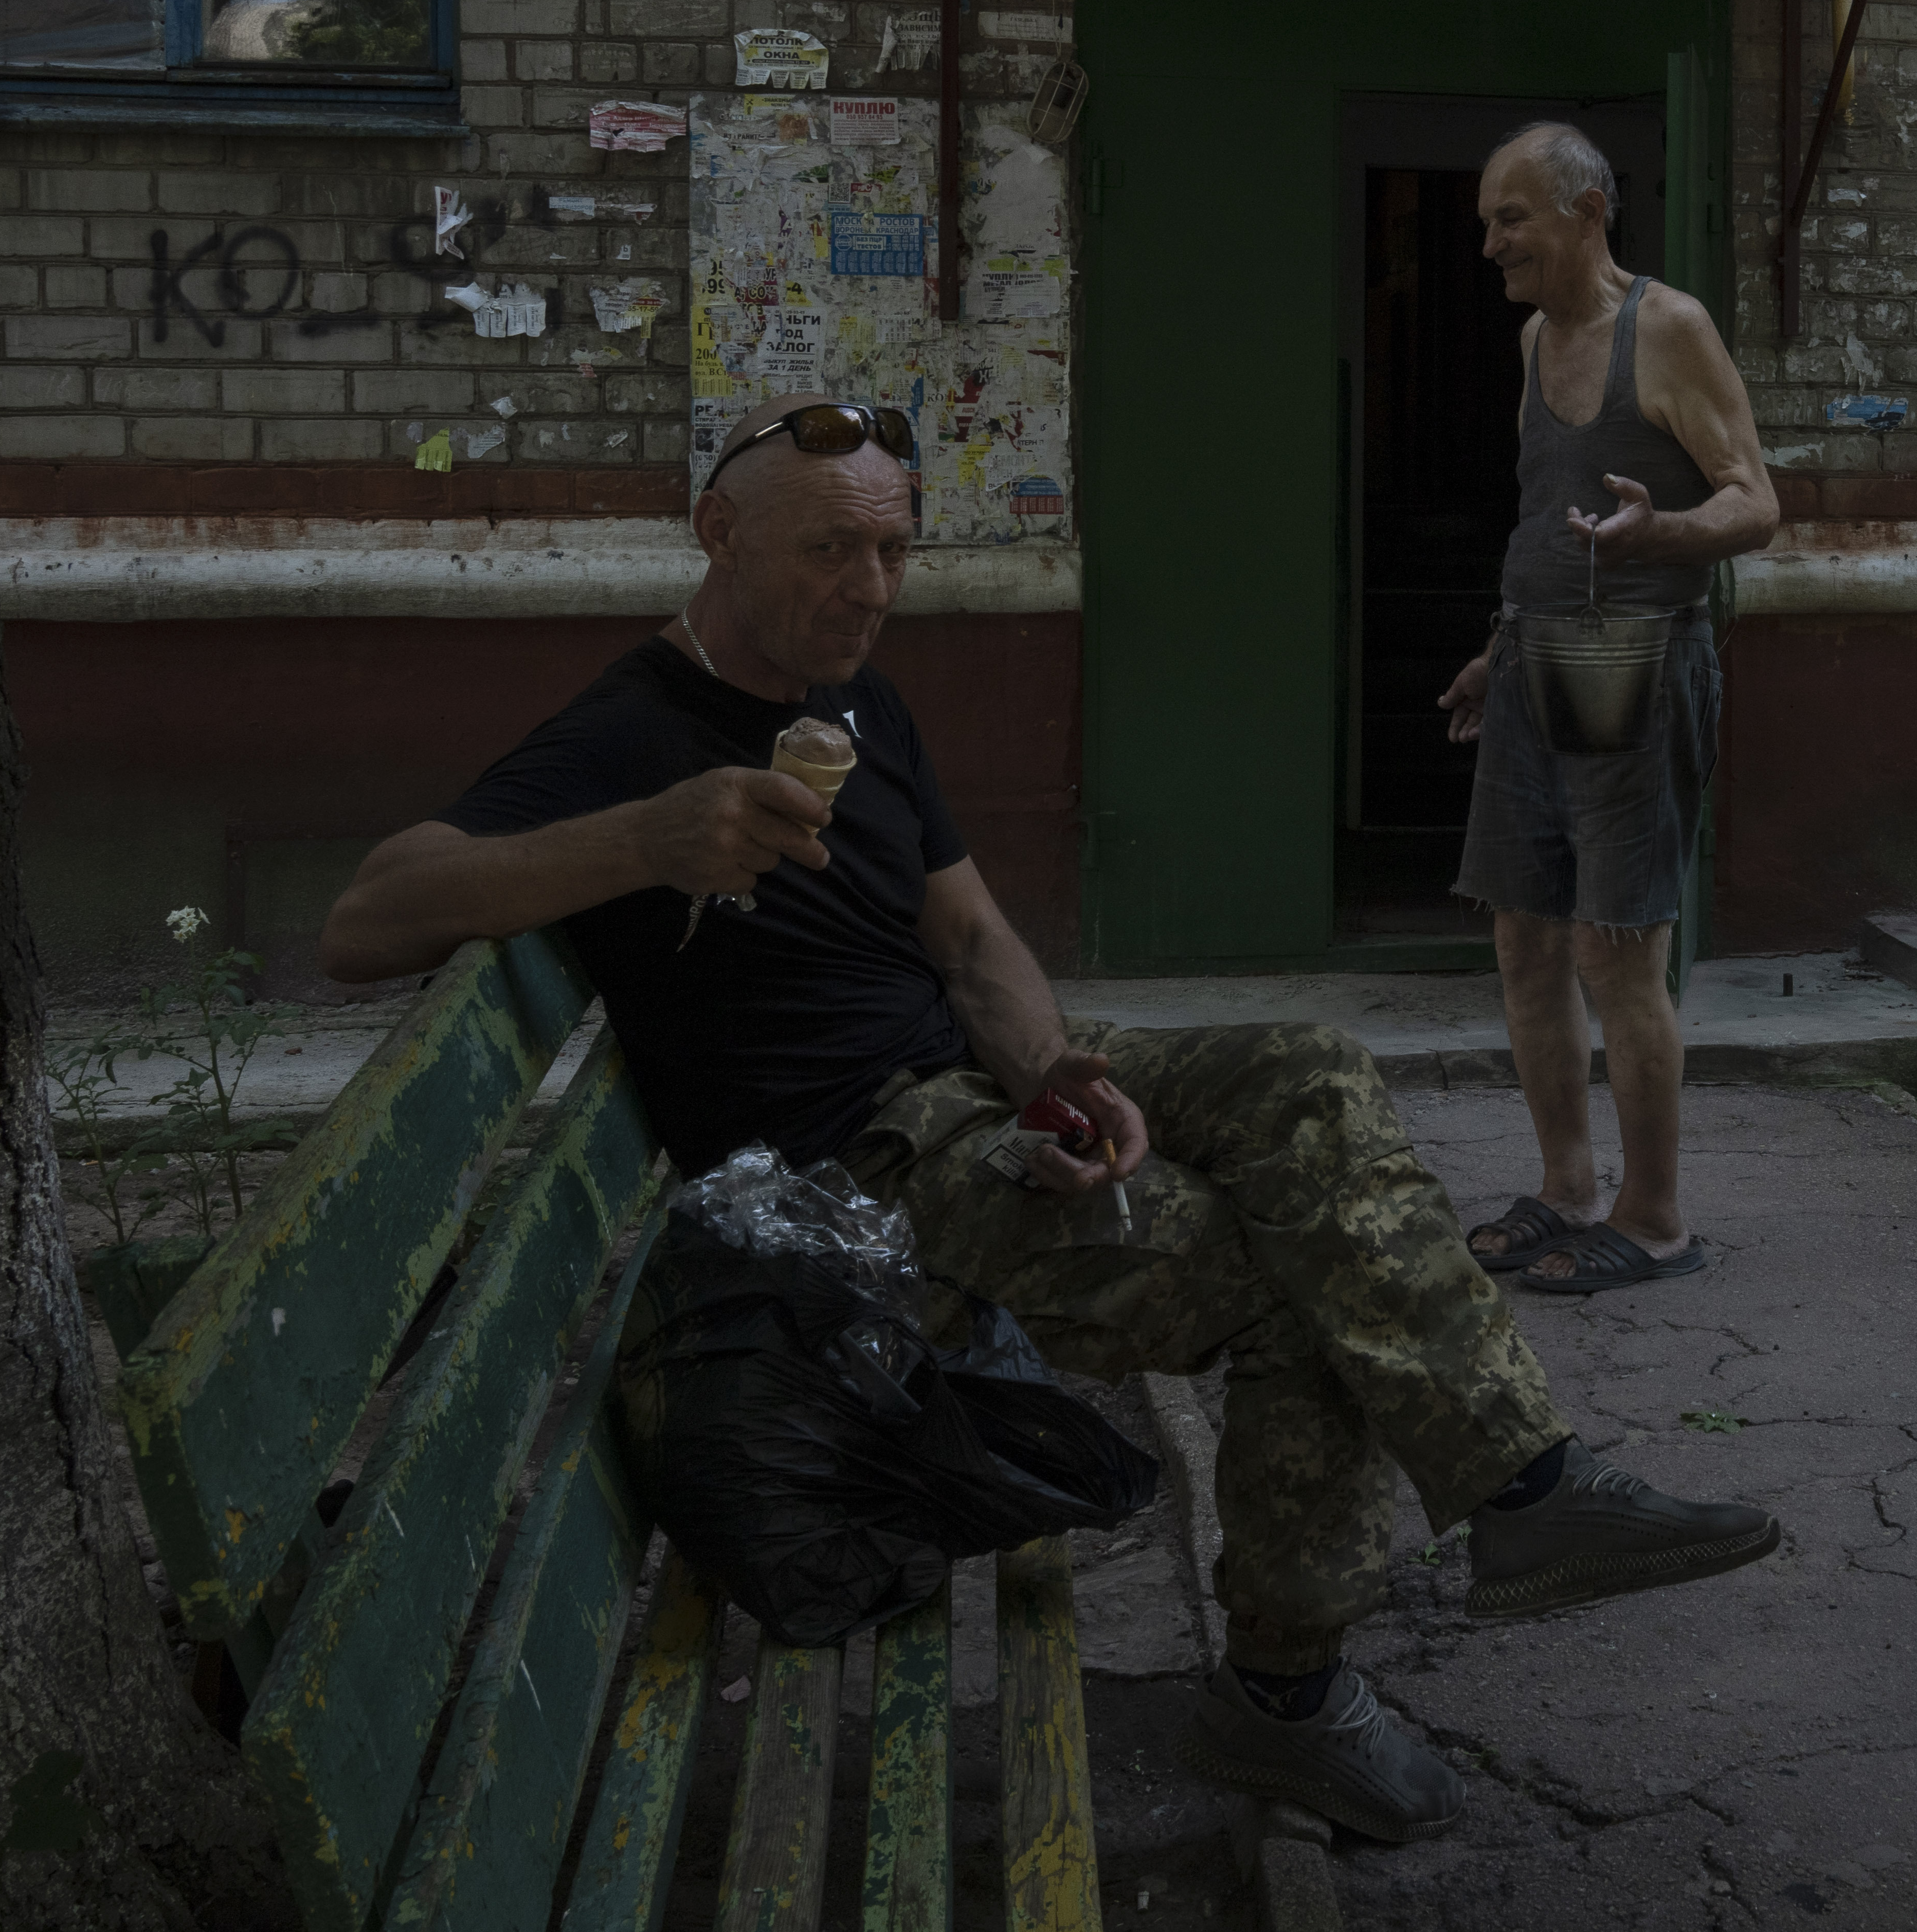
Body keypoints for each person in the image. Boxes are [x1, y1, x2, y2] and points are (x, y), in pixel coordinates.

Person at [317, 391, 1782, 1846]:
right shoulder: (632, 730)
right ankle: (1290, 1697)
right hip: (847, 1181)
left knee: (1312, 1067)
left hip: (966, 1088)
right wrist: (643, 839)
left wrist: (1046, 1071)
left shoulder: (860, 706)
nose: (871, 589)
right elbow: (368, 919)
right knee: (1294, 1287)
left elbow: (968, 943)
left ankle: (1526, 1492)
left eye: (893, 555)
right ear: (718, 532)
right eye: (832, 551)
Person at [1435, 123, 1779, 1295]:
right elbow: (1546, 522)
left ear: (1587, 213)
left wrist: (1668, 532)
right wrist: (1497, 650)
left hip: (1632, 661)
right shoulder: (1536, 337)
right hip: (1539, 661)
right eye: (1489, 221)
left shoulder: (1668, 330)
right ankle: (1568, 1189)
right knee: (1525, 938)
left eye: (1511, 218)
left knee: (1615, 947)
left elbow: (1756, 503)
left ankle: (1657, 1216)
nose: (1489, 245)